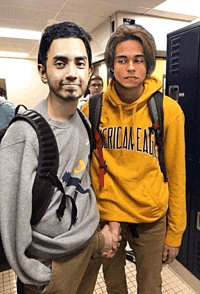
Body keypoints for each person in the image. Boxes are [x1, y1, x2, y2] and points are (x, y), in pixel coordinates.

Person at [0, 22, 121, 294]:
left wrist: (99, 236)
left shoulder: (84, 122)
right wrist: (37, 276)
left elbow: (83, 183)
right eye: (60, 63)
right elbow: (9, 220)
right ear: (43, 72)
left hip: (86, 253)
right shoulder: (23, 135)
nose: (71, 73)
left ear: (90, 72)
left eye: (80, 64)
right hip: (49, 266)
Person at [81, 24, 186, 294]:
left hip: (150, 220)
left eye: (138, 60)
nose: (130, 68)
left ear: (148, 65)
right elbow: (83, 170)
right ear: (111, 66)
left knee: (150, 287)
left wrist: (174, 234)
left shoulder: (167, 110)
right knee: (114, 285)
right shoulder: (91, 109)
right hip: (106, 219)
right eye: (122, 60)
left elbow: (176, 176)